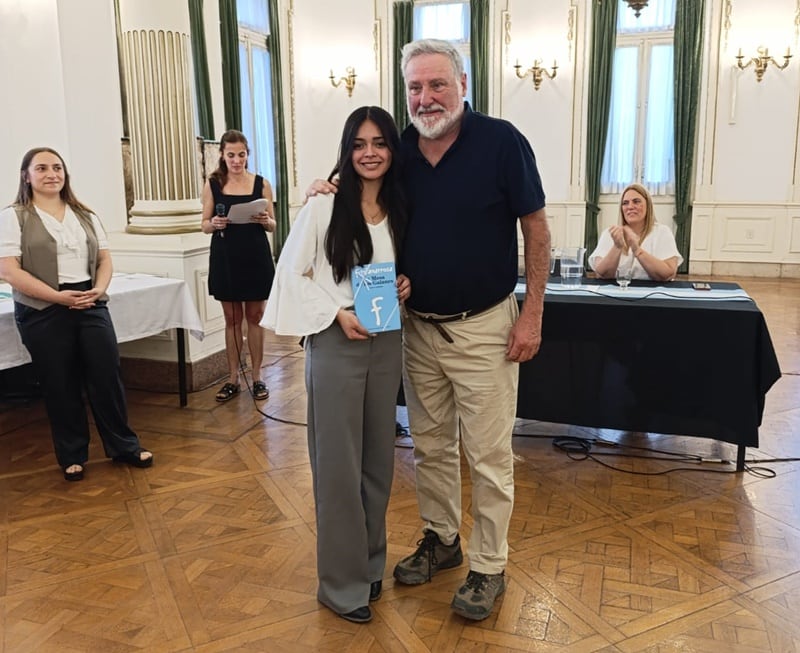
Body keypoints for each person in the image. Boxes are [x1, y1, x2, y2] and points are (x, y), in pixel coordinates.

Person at [307, 39, 550, 621]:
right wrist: (325, 184)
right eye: (415, 87)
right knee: (432, 447)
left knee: (489, 455)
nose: (426, 96)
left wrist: (533, 313)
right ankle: (443, 539)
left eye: (437, 84)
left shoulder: (502, 142)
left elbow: (536, 232)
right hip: (413, 330)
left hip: (485, 327)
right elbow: (357, 185)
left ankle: (490, 566)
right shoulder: (401, 152)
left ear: (463, 83)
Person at [263, 106, 411, 624]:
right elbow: (291, 274)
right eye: (359, 144)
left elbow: (399, 268)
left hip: (387, 341)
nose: (369, 153)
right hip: (335, 343)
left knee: (378, 460)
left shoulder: (401, 208)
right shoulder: (324, 206)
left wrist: (405, 285)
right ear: (347, 151)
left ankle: (370, 566)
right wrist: (335, 313)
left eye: (379, 143)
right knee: (338, 465)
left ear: (393, 149)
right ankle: (340, 585)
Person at [0, 147, 153, 482]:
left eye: (57, 167)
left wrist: (98, 289)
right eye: (41, 168)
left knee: (107, 376)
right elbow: (9, 272)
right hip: (42, 308)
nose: (51, 173)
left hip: (88, 300)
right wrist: (58, 297)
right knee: (60, 382)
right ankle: (72, 454)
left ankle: (124, 445)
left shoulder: (84, 214)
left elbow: (104, 259)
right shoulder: (14, 216)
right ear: (27, 176)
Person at [201, 130, 276, 402]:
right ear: (222, 154)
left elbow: (273, 224)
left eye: (241, 154)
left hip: (255, 255)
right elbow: (204, 224)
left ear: (248, 154)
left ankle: (256, 377)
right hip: (226, 257)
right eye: (231, 155)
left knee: (255, 318)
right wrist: (215, 224)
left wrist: (265, 220)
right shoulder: (213, 184)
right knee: (232, 319)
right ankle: (233, 378)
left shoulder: (262, 183)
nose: (236, 160)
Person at [588, 183, 683, 281]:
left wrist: (637, 250)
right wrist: (617, 246)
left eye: (636, 201)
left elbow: (668, 274)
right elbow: (601, 274)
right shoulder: (610, 233)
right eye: (625, 203)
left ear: (648, 205)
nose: (630, 206)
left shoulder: (662, 232)